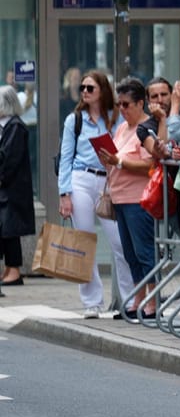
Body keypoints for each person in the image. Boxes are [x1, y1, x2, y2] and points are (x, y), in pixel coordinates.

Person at [55, 68, 118, 317]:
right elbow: (66, 158)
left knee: (119, 241)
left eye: (90, 88)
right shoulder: (75, 119)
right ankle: (92, 301)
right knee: (84, 241)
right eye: (82, 87)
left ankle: (129, 299)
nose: (84, 92)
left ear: (102, 90)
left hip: (109, 181)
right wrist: (64, 193)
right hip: (81, 178)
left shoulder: (115, 117)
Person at [103, 79, 160, 312]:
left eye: (127, 105)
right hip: (120, 197)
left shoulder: (147, 127)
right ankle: (139, 298)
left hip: (139, 198)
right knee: (130, 253)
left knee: (144, 250)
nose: (123, 110)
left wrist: (119, 161)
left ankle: (153, 302)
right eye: (119, 105)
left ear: (140, 103)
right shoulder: (121, 127)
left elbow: (150, 164)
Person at [0, 86, 29, 290]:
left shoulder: (15, 127)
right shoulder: (7, 126)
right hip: (7, 187)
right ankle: (10, 269)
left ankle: (14, 270)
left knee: (10, 231)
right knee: (7, 231)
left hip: (11, 188)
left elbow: (9, 158)